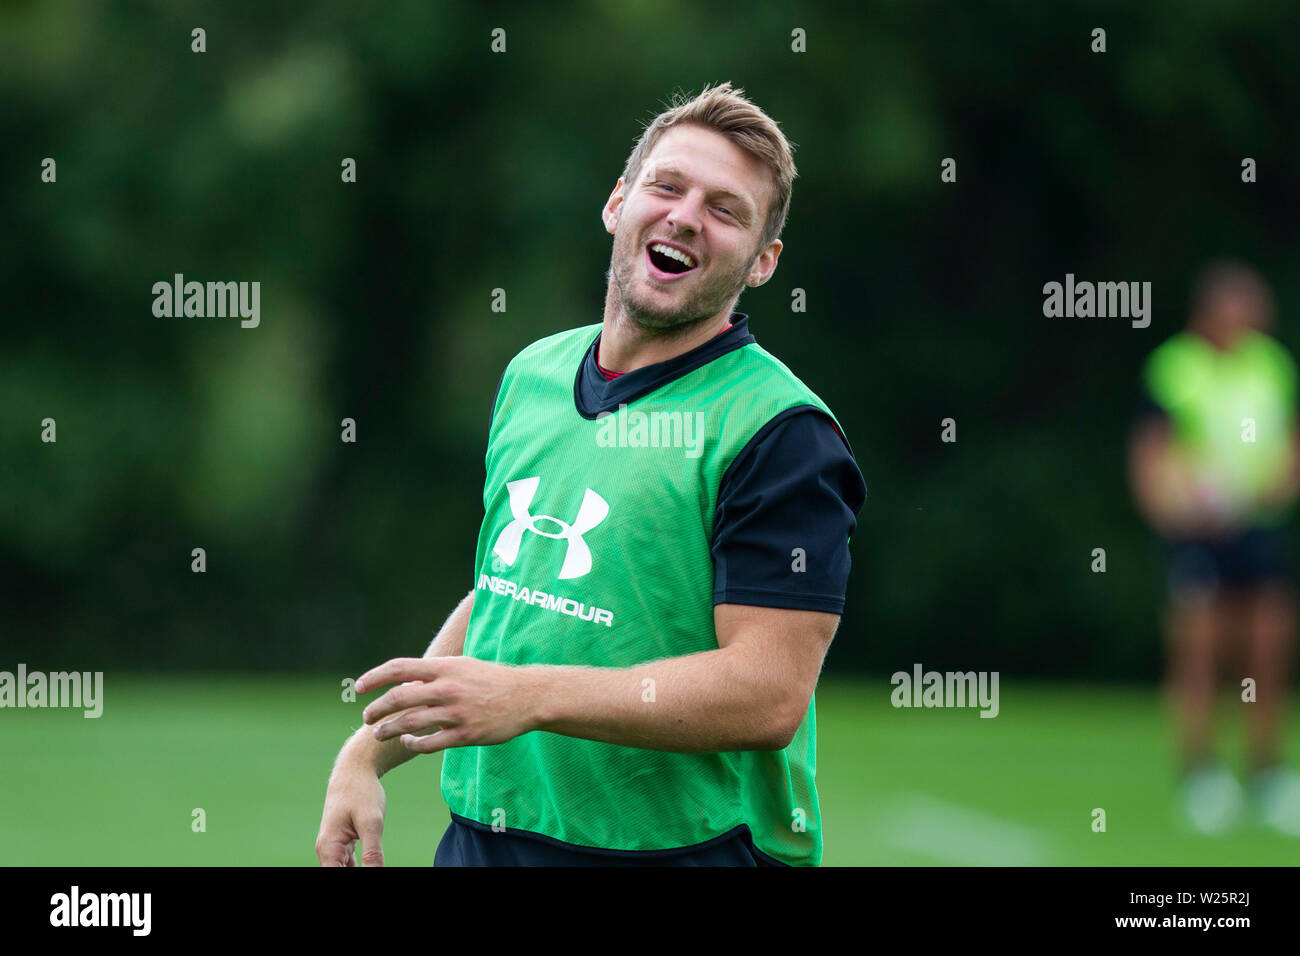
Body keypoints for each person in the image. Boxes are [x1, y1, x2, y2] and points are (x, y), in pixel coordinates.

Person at [315, 82, 867, 866]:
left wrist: (531, 696)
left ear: (762, 263)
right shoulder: (534, 374)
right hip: (485, 839)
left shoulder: (781, 432)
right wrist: (367, 752)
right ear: (618, 203)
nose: (684, 215)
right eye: (667, 185)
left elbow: (767, 692)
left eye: (725, 208)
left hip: (679, 851)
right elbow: (510, 590)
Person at [1128, 260, 1300, 836]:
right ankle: (1200, 775)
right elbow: (1152, 456)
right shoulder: (1177, 367)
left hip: (1257, 527)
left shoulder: (1273, 366)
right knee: (1198, 649)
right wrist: (1178, 507)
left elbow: (1290, 449)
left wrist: (1267, 490)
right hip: (1197, 534)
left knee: (1268, 646)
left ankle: (1266, 773)